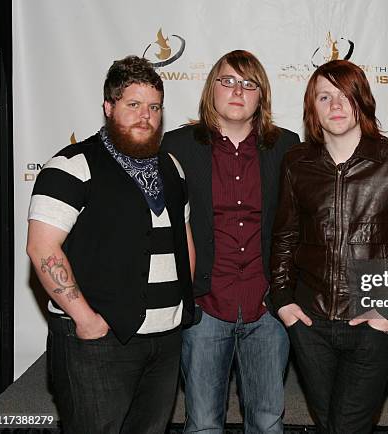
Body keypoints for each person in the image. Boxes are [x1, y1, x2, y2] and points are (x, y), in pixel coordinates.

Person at [26, 55, 195, 434]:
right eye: (133, 105)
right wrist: (85, 320)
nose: (145, 116)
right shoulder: (70, 166)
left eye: (153, 107)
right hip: (98, 341)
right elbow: (42, 248)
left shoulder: (172, 168)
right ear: (108, 107)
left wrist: (180, 311)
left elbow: (183, 242)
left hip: (165, 340)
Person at [270, 59, 388, 433]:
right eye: (324, 97)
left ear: (362, 102)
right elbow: (285, 236)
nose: (336, 106)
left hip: (372, 324)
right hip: (310, 322)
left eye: (345, 96)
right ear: (312, 108)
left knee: (347, 426)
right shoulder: (296, 162)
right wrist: (283, 301)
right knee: (330, 424)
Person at [162, 49, 299, 433]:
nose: (237, 90)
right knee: (203, 423)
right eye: (228, 81)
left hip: (267, 307)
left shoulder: (287, 147)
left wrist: (283, 292)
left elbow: (297, 227)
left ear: (261, 95)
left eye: (248, 83)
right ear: (211, 89)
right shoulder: (176, 147)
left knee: (268, 421)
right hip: (204, 306)